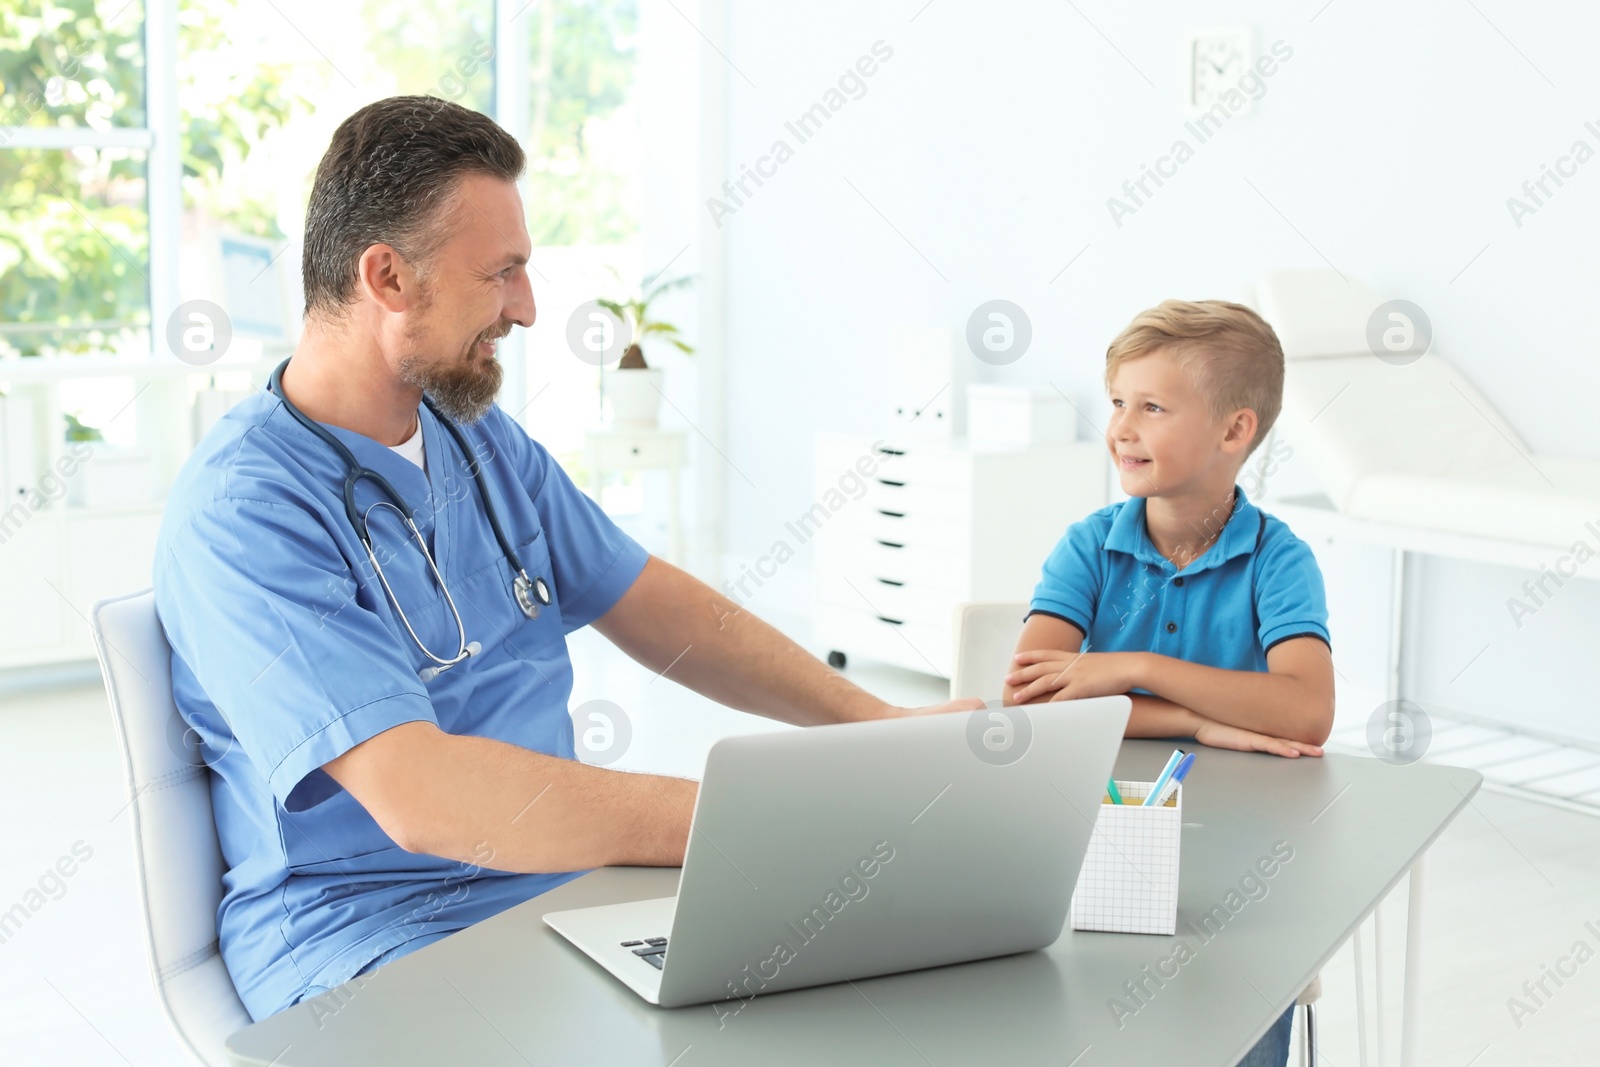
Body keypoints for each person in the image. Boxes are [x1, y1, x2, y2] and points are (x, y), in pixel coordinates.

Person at [152, 95, 976, 1021]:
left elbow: (653, 602)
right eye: (501, 274)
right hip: (365, 939)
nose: (529, 308)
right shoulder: (246, 510)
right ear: (387, 277)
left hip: (553, 893)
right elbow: (420, 794)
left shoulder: (477, 440)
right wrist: (758, 821)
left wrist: (878, 728)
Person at [1002, 299, 1335, 1067]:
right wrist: (1200, 719)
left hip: (1246, 850)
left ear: (1234, 430)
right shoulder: (1089, 546)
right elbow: (1032, 699)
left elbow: (1306, 712)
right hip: (1091, 833)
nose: (1122, 425)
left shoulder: (1279, 561)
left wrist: (1133, 668)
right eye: (1118, 401)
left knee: (1237, 1008)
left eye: (1152, 407)